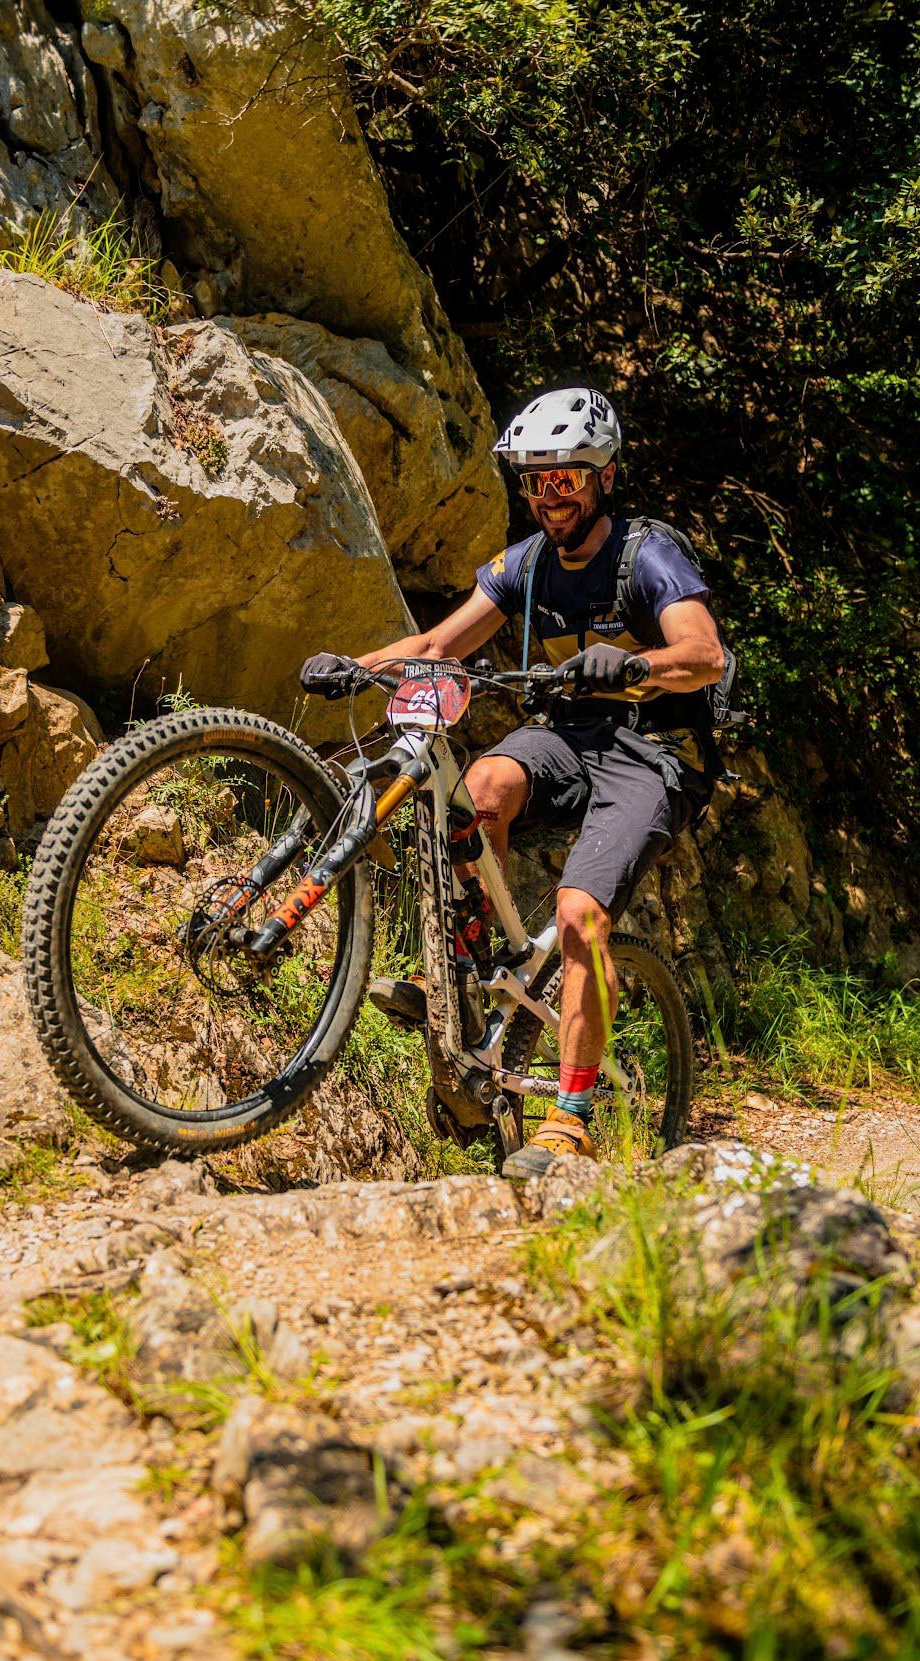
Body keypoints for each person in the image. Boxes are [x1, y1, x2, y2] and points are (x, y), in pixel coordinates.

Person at [300, 386, 725, 1178]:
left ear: (602, 477)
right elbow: (437, 642)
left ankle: (570, 1115)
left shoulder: (647, 553)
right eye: (534, 480)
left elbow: (705, 653)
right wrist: (354, 668)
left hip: (655, 750)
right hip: (570, 737)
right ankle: (469, 971)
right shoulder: (524, 567)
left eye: (565, 478)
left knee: (579, 914)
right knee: (483, 784)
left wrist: (634, 664)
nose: (548, 495)